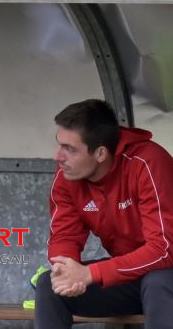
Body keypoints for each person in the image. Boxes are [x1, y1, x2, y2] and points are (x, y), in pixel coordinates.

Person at [35, 99, 173, 328]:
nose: (58, 156)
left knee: (158, 281)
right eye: (60, 145)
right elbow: (64, 235)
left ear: (100, 153)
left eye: (70, 149)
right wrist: (65, 269)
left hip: (166, 274)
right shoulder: (68, 177)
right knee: (48, 287)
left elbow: (163, 249)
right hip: (132, 278)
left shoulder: (147, 162)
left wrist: (92, 273)